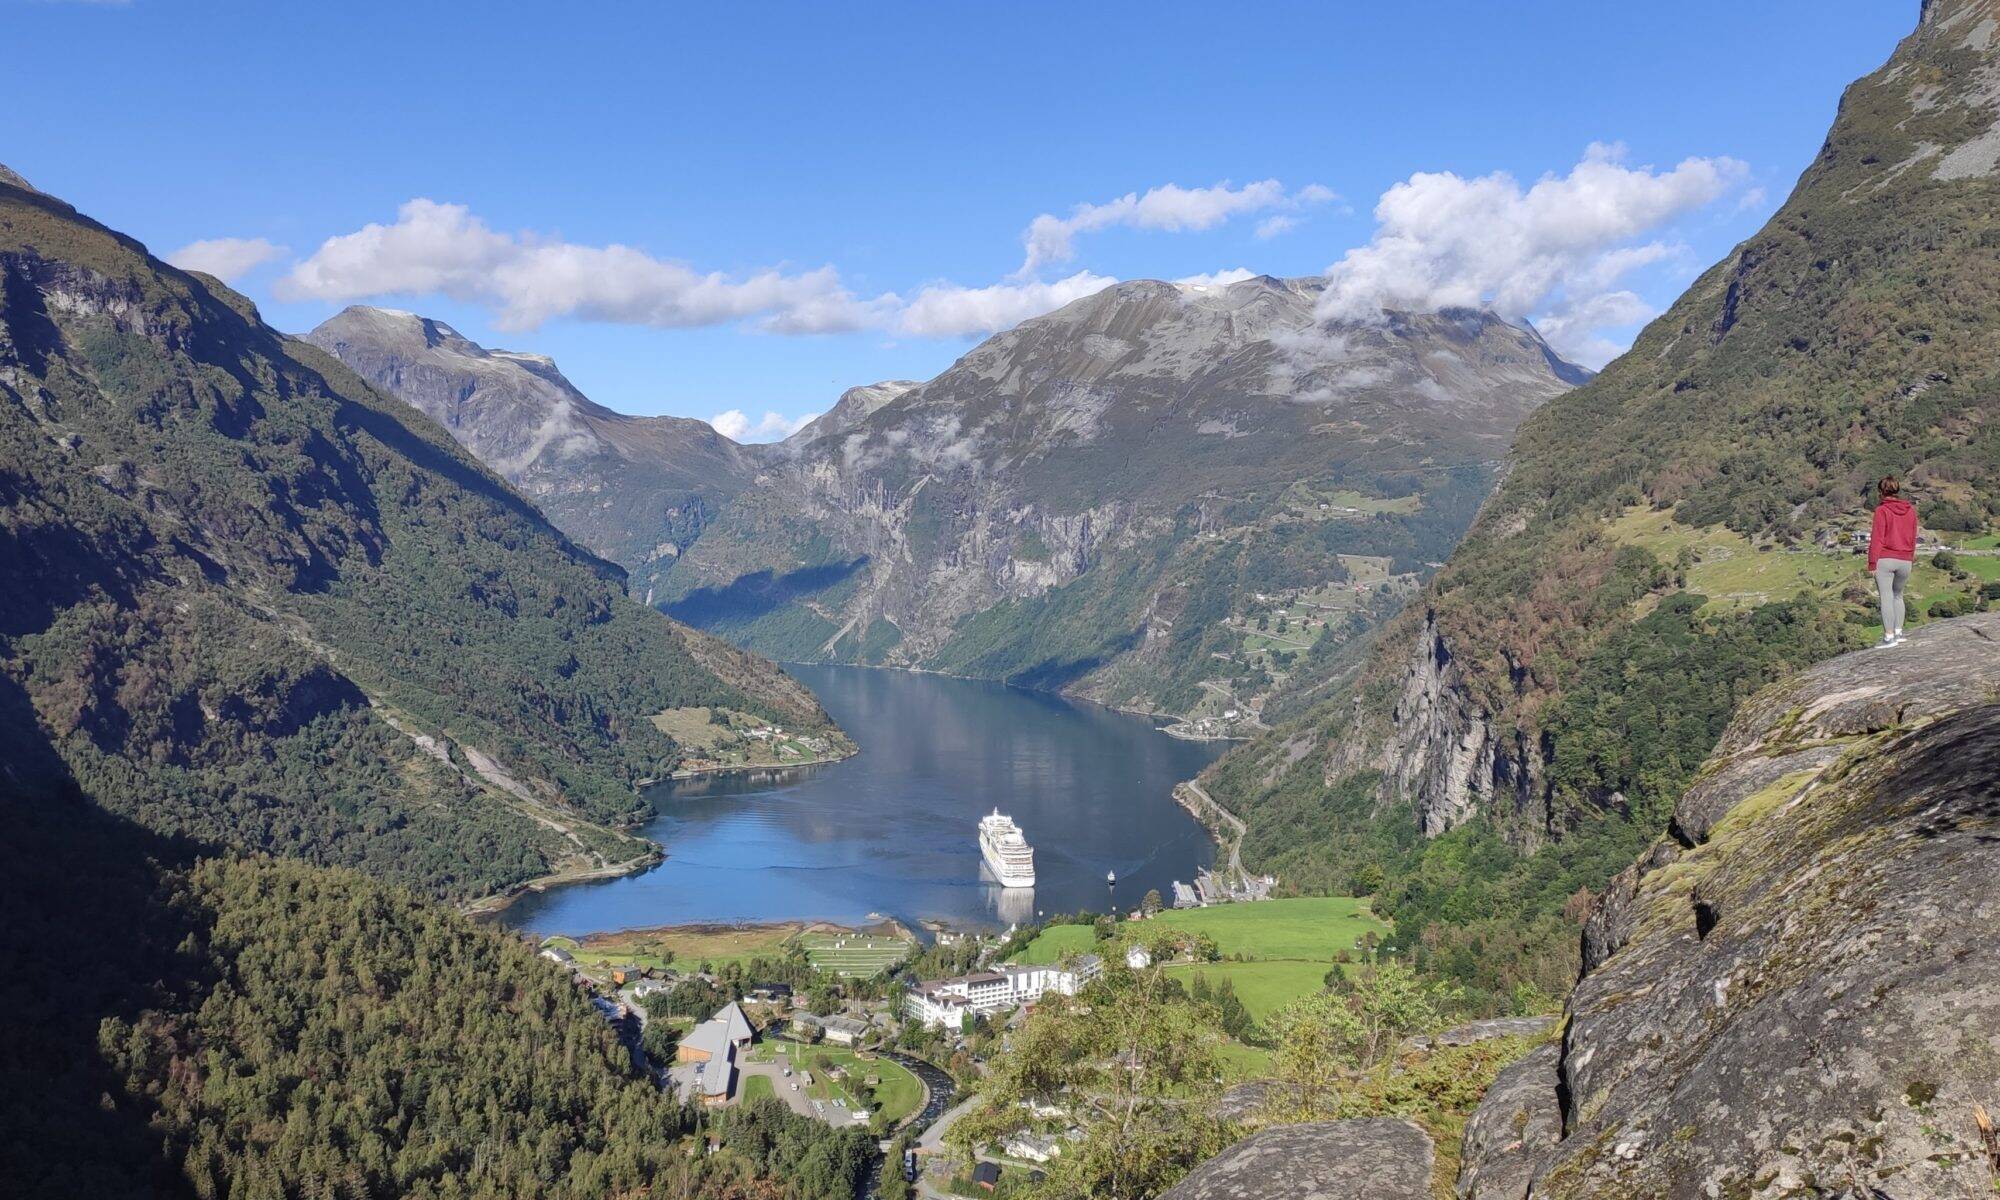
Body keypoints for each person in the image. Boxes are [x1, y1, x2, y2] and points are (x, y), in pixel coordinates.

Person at [1867, 475, 1918, 648]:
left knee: (1886, 598)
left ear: (1881, 491)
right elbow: (1913, 537)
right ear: (1897, 490)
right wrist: (1910, 557)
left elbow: (1877, 538)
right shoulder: (1910, 510)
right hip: (1905, 560)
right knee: (1898, 595)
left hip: (1885, 559)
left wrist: (1872, 563)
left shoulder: (1881, 510)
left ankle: (1889, 638)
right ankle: (1899, 632)